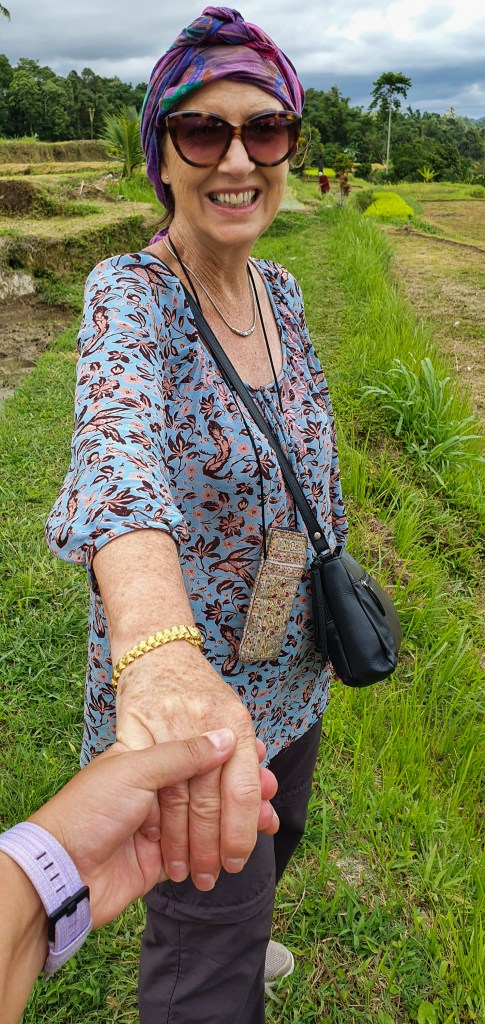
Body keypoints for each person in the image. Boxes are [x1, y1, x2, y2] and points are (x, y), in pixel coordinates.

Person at [45, 7, 347, 1021]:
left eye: (265, 130)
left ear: (289, 147)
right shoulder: (129, 297)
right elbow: (116, 461)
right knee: (205, 958)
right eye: (202, 131)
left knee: (277, 837)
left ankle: (245, 929)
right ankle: (218, 956)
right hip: (193, 717)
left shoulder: (281, 292)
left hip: (292, 669)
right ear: (161, 158)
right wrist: (163, 655)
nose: (237, 159)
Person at [0, 730, 279, 1024]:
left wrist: (58, 868)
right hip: (178, 756)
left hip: (285, 720)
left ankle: (245, 959)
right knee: (206, 962)